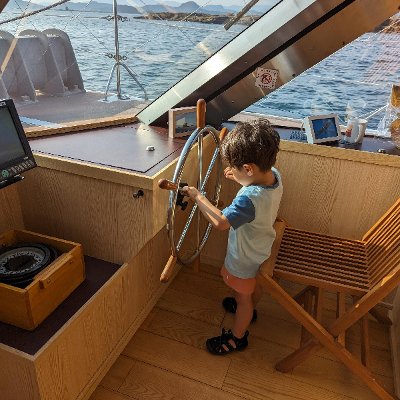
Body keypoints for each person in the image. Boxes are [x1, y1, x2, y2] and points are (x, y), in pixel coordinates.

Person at [182, 119, 283, 355]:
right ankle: (246, 307)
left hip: (245, 258)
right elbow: (254, 187)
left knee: (243, 297)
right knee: (247, 291)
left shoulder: (249, 199)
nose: (235, 173)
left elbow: (220, 222)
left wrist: (198, 196)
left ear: (249, 169)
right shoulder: (274, 175)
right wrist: (239, 178)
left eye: (238, 169)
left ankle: (238, 338)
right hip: (262, 246)